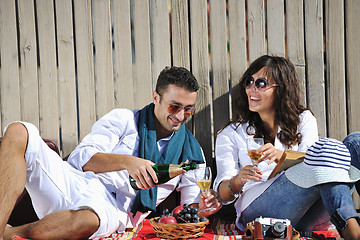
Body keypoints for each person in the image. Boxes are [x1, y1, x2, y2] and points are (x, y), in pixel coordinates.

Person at [0, 66, 221, 240]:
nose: (181, 116)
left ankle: (9, 235)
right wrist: (127, 162)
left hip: (112, 209)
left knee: (87, 221)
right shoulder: (124, 120)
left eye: (189, 109)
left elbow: (190, 208)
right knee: (20, 130)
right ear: (156, 97)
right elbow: (80, 159)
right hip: (75, 182)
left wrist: (202, 208)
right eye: (175, 107)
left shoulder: (191, 154)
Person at [213, 55, 360, 239]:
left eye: (260, 83)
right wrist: (236, 180)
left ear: (281, 90)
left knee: (356, 141)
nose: (251, 88)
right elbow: (222, 195)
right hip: (260, 210)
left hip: (310, 212)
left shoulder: (304, 119)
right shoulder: (231, 133)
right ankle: (351, 228)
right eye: (249, 82)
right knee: (325, 151)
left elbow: (316, 161)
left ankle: (347, 224)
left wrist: (284, 156)